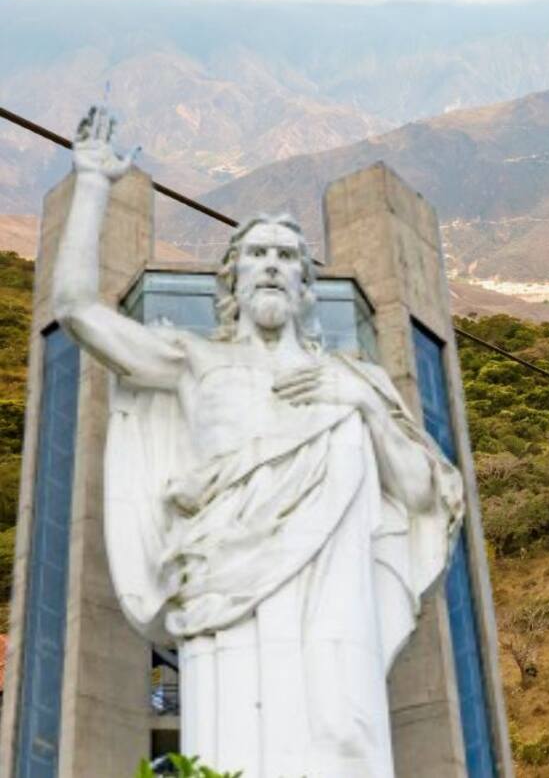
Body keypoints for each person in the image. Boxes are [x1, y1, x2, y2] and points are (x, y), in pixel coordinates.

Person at [53, 107, 464, 778]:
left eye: (285, 257)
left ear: (305, 287)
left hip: (338, 597)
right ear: (234, 280)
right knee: (234, 751)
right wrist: (94, 184)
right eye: (256, 256)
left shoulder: (350, 378)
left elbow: (420, 492)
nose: (271, 267)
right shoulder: (194, 361)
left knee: (347, 737)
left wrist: (363, 403)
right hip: (227, 586)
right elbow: (75, 309)